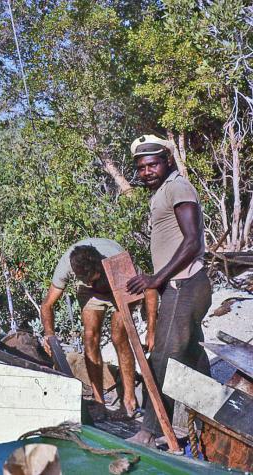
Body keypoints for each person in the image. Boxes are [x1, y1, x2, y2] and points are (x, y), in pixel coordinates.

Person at [125, 135, 211, 447]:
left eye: (152, 164)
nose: (146, 171)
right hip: (180, 286)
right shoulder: (163, 191)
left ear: (167, 161)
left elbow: (192, 241)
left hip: (185, 285)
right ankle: (216, 420)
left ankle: (150, 431)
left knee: (161, 356)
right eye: (141, 167)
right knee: (190, 355)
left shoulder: (178, 186)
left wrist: (156, 278)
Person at [41, 238, 158, 416]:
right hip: (91, 294)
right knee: (90, 337)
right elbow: (47, 305)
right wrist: (50, 336)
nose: (91, 283)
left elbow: (150, 288)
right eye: (87, 281)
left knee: (119, 336)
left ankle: (129, 400)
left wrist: (151, 330)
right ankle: (99, 401)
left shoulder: (117, 260)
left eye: (93, 279)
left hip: (118, 284)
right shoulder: (66, 265)